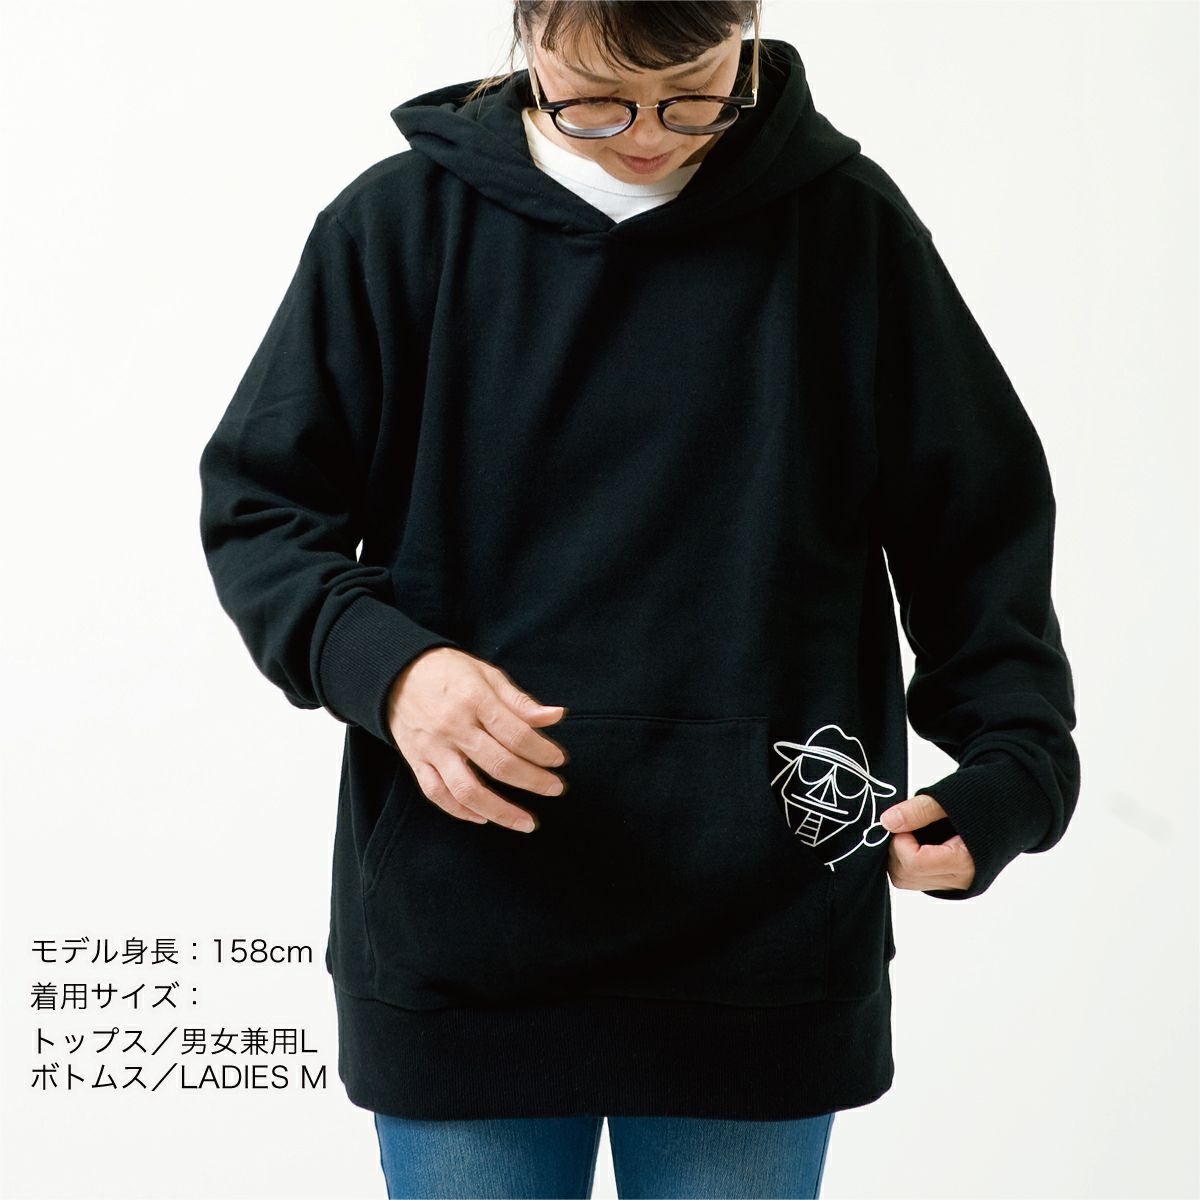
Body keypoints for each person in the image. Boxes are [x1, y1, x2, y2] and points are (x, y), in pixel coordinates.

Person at [197, 1, 1081, 1196]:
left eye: (695, 94)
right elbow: (262, 509)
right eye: (596, 101)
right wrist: (389, 669)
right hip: (465, 914)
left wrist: (1016, 763)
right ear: (529, 34)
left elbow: (974, 521)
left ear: (747, 29)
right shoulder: (398, 226)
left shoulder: (848, 232)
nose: (650, 135)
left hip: (765, 923)